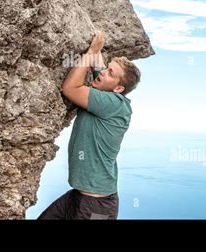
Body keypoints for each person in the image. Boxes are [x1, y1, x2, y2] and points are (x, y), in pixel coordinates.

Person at [37, 30, 141, 220]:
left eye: (110, 73)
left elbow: (70, 88)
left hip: (98, 206)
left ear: (119, 89)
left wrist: (91, 52)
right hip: (79, 196)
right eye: (107, 68)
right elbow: (98, 66)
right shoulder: (105, 90)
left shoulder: (114, 104)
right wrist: (96, 42)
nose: (103, 72)